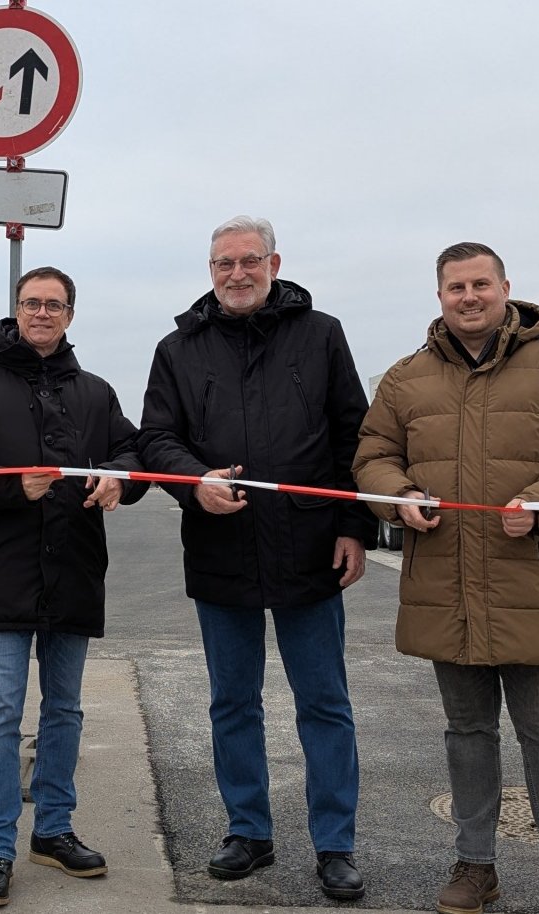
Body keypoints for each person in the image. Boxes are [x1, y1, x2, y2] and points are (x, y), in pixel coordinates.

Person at [353, 242, 539, 914]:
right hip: (444, 584)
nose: (469, 297)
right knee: (467, 735)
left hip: (529, 580)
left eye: (480, 284)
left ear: (506, 288)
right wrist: (398, 497)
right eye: (456, 287)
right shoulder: (406, 377)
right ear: (439, 296)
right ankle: (476, 865)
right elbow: (372, 455)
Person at [137, 215, 371, 900]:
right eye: (224, 263)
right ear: (210, 271)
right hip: (221, 548)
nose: (236, 273)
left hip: (309, 548)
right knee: (232, 702)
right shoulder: (178, 348)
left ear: (274, 263)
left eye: (248, 261)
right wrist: (194, 482)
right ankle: (248, 830)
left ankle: (335, 844)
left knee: (324, 703)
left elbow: (353, 436)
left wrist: (353, 526)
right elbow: (156, 439)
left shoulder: (321, 334)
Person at [0, 266, 148, 907]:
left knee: (65, 709)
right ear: (17, 310)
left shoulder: (95, 391)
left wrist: (119, 478)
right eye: (32, 303)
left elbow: (136, 454)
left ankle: (53, 830)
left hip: (74, 567)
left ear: (70, 315)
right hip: (2, 570)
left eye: (54, 304)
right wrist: (8, 486)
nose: (42, 313)